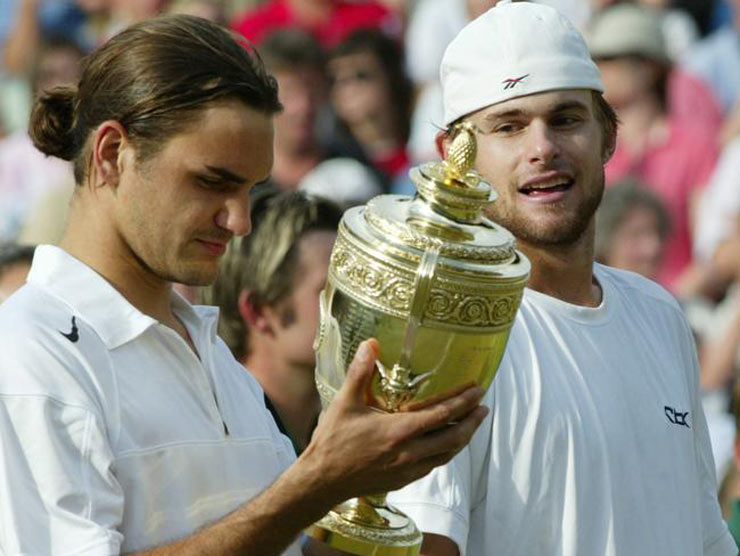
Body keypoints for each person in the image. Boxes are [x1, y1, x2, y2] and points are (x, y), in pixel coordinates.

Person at [0, 15, 489, 555]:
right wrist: (320, 480)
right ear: (112, 153)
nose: (240, 221)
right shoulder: (26, 354)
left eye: (251, 189)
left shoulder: (215, 358)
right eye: (213, 182)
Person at [386, 2, 737, 555]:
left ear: (609, 135)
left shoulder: (659, 314)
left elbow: (703, 534)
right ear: (454, 159)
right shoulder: (440, 338)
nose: (543, 147)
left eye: (566, 118)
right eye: (509, 126)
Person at [202, 189, 342, 454]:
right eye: (331, 291)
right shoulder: (223, 436)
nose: (354, 308)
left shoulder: (328, 428)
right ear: (259, 311)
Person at [594, 178, 670, 283]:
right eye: (636, 235)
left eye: (658, 233)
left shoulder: (669, 299)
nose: (653, 248)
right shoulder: (579, 297)